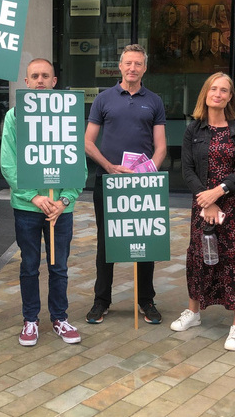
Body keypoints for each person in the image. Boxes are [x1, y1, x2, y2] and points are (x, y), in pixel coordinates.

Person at [170, 73, 235, 352]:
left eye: (225, 90)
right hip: (203, 205)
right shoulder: (193, 130)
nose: (219, 93)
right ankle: (194, 312)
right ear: (206, 93)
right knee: (200, 256)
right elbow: (187, 170)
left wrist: (219, 191)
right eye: (214, 88)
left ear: (230, 96)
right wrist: (206, 201)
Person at [0, 58, 86, 346]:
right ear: (26, 83)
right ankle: (30, 320)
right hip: (28, 207)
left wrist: (64, 199)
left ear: (54, 81)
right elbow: (8, 163)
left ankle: (60, 317)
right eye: (34, 75)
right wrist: (33, 197)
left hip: (61, 208)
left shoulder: (70, 116)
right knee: (29, 265)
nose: (39, 80)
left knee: (58, 265)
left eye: (45, 75)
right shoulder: (14, 117)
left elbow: (78, 163)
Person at [84, 44, 167, 324]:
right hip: (108, 182)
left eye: (138, 64)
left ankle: (146, 300)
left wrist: (149, 172)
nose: (132, 68)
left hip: (143, 184)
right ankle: (101, 300)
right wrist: (108, 167)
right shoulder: (104, 99)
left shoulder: (154, 101)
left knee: (145, 241)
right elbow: (88, 142)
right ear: (120, 66)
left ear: (145, 68)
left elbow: (161, 147)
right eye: (128, 63)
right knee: (106, 243)